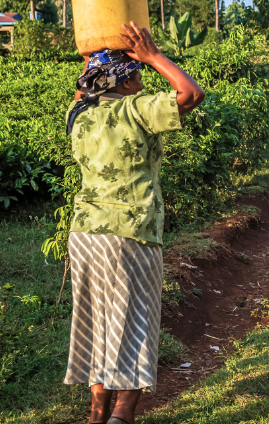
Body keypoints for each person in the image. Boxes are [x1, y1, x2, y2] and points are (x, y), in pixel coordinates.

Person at [65, 22, 205, 424]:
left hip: (86, 233)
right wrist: (153, 55)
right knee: (136, 319)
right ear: (124, 81)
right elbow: (191, 93)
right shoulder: (137, 110)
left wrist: (96, 55)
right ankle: (123, 413)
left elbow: (85, 88)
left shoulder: (78, 114)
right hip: (132, 233)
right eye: (136, 73)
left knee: (97, 320)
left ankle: (97, 414)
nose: (141, 79)